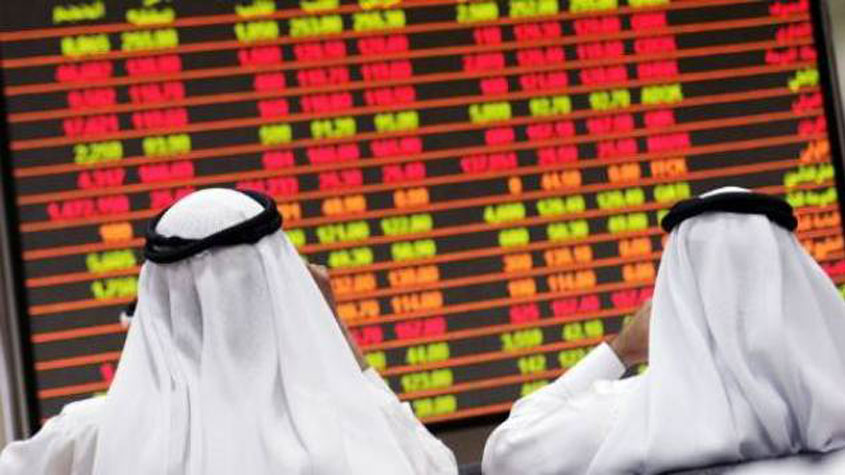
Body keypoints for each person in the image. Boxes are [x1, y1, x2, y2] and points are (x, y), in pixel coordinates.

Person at [0, 188, 457, 475]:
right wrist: (333, 330)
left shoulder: (89, 436)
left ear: (156, 300)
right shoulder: (353, 431)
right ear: (287, 284)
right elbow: (437, 467)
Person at [483, 187, 845, 474]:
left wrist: (620, 351)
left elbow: (505, 457)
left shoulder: (631, 418)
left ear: (676, 287)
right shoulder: (831, 406)